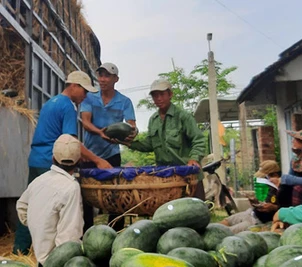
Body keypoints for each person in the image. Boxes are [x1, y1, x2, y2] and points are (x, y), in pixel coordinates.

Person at [13, 71, 112, 255]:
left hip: (36, 158)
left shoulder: (52, 102)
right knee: (58, 210)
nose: (85, 95)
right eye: (84, 90)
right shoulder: (68, 106)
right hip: (49, 162)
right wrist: (98, 160)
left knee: (32, 205)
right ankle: (57, 253)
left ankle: (20, 251)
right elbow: (71, 142)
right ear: (74, 86)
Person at [125, 78, 206, 199]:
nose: (158, 98)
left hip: (188, 176)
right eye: (155, 96)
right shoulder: (153, 120)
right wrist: (129, 143)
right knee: (169, 213)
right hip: (166, 177)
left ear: (170, 94)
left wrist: (194, 159)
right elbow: (149, 144)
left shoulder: (183, 116)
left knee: (196, 212)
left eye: (162, 94)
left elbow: (198, 140)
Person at [80, 62, 137, 231]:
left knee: (115, 194)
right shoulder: (90, 98)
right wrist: (100, 133)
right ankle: (87, 232)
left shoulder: (124, 101)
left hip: (112, 154)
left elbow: (131, 125)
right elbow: (85, 122)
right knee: (86, 196)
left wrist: (132, 133)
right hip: (89, 154)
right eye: (100, 75)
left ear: (116, 79)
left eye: (107, 76)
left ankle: (115, 230)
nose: (102, 79)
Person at [16, 134, 84, 266]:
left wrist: (38, 226)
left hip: (40, 257)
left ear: (53, 159)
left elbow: (22, 207)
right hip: (56, 261)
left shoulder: (39, 180)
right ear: (80, 161)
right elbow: (69, 236)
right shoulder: (72, 187)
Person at [220, 160, 282, 233]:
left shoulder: (283, 189)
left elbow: (287, 208)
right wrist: (255, 201)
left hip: (257, 221)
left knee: (227, 232)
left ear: (275, 175)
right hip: (251, 213)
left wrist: (273, 207)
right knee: (224, 223)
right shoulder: (266, 186)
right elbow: (263, 201)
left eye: (265, 177)